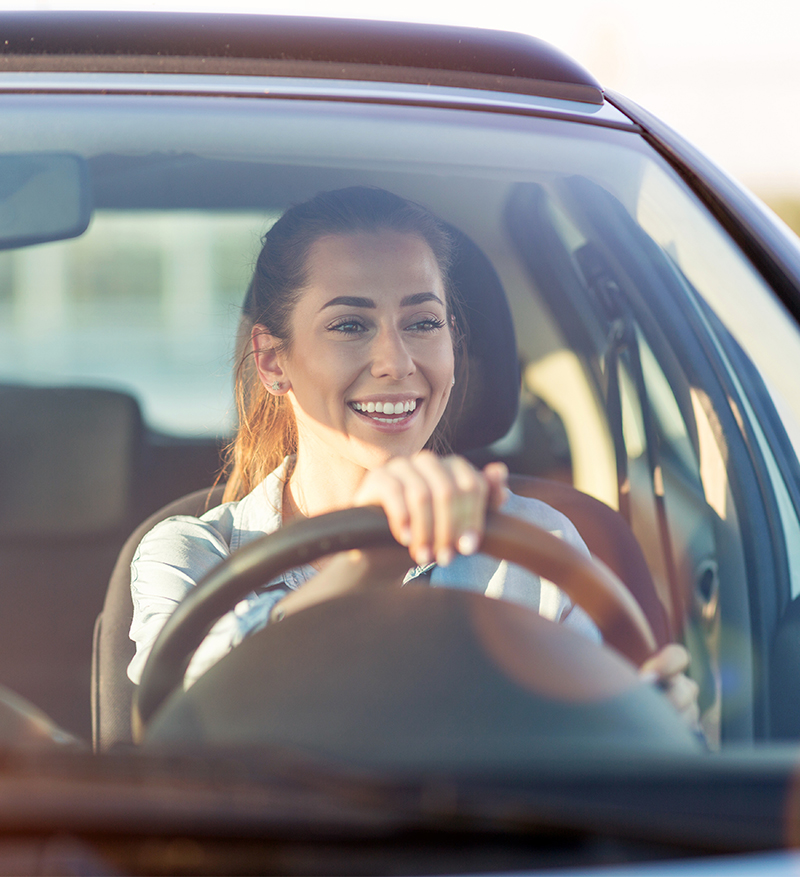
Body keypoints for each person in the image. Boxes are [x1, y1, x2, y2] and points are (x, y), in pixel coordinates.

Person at [127, 186, 699, 728]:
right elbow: (185, 728)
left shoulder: (536, 545)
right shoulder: (189, 556)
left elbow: (587, 760)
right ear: (273, 361)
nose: (395, 362)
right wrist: (367, 565)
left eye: (423, 323)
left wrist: (649, 723)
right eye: (350, 325)